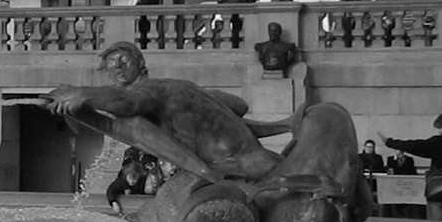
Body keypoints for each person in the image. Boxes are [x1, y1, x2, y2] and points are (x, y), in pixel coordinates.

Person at [48, 42, 283, 185]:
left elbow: (126, 105)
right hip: (259, 162)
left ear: (140, 63)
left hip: (239, 172)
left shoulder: (149, 92)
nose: (117, 67)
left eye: (122, 60)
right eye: (111, 65)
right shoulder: (178, 86)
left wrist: (83, 94)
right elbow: (239, 105)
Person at [386, 113, 442, 221]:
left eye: (439, 128)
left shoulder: (439, 142)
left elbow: (416, 146)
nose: (439, 131)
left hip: (438, 191)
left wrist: (392, 143)